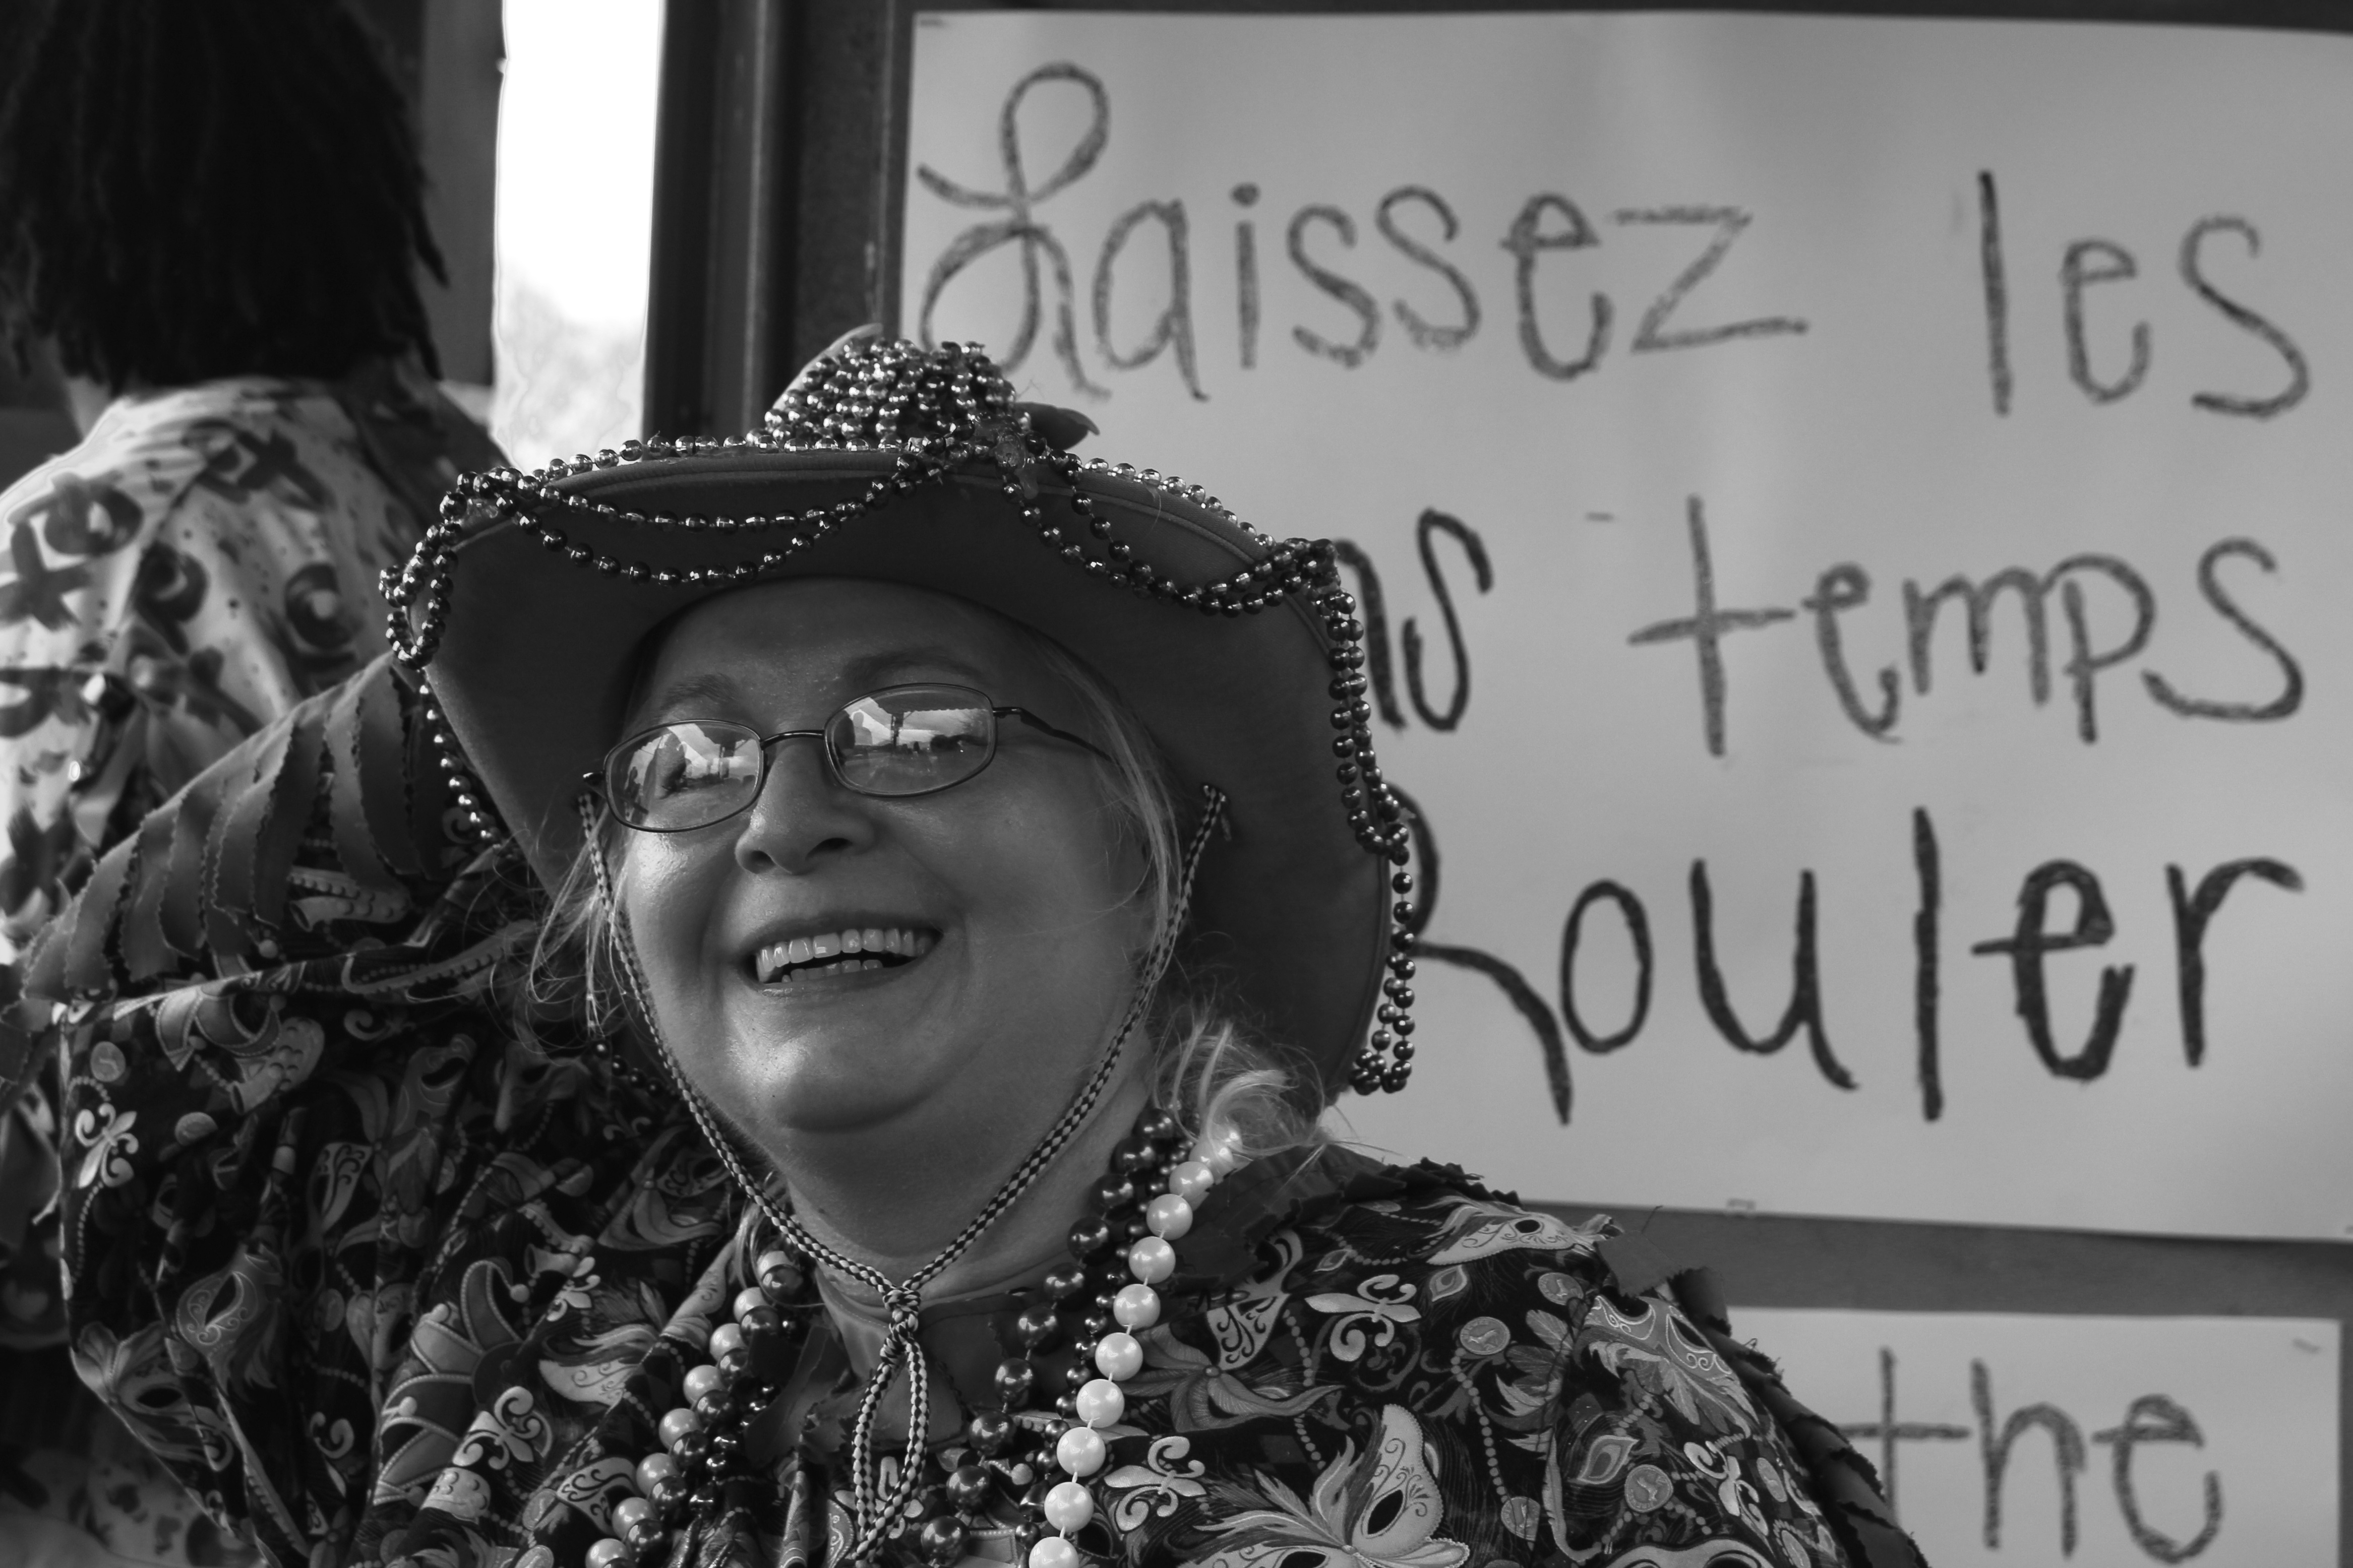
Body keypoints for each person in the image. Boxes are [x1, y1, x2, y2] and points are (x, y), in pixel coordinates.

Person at [21, 338, 1921, 1568]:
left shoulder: (1529, 1385)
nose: (783, 820)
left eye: (918, 727)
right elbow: (119, 1036)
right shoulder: (509, 1351)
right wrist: (542, 624)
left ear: (1155, 849)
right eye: (688, 766)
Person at [0, 3, 502, 1561]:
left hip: (161, 1443)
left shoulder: (80, 549)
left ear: (50, 217)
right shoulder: (473, 501)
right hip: (473, 1391)